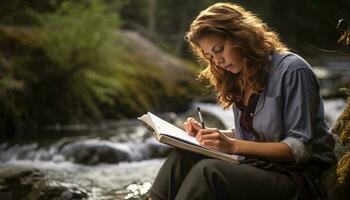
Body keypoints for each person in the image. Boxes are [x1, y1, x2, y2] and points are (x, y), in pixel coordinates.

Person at [149, 2, 337, 200]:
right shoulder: (239, 76)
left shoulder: (293, 70)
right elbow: (253, 135)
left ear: (242, 36)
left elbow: (299, 149)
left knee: (209, 172)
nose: (218, 62)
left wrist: (231, 145)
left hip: (299, 178)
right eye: (210, 57)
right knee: (183, 156)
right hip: (259, 168)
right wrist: (208, 137)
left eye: (219, 49)